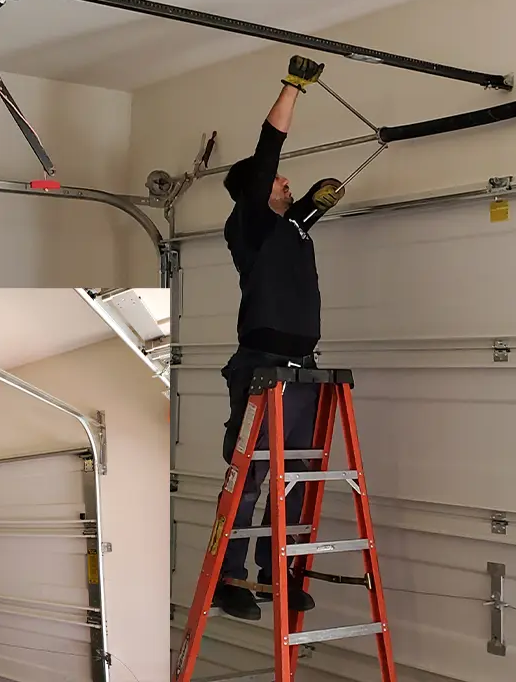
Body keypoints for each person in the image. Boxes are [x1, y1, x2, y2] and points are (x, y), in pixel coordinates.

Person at [212, 55, 346, 621]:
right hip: (263, 365)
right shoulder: (249, 223)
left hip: (301, 368)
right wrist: (292, 88)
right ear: (257, 192)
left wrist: (316, 200)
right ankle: (230, 578)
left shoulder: (288, 228)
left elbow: (302, 215)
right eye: (281, 182)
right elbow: (269, 148)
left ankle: (278, 573)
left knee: (291, 478)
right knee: (251, 478)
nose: (287, 182)